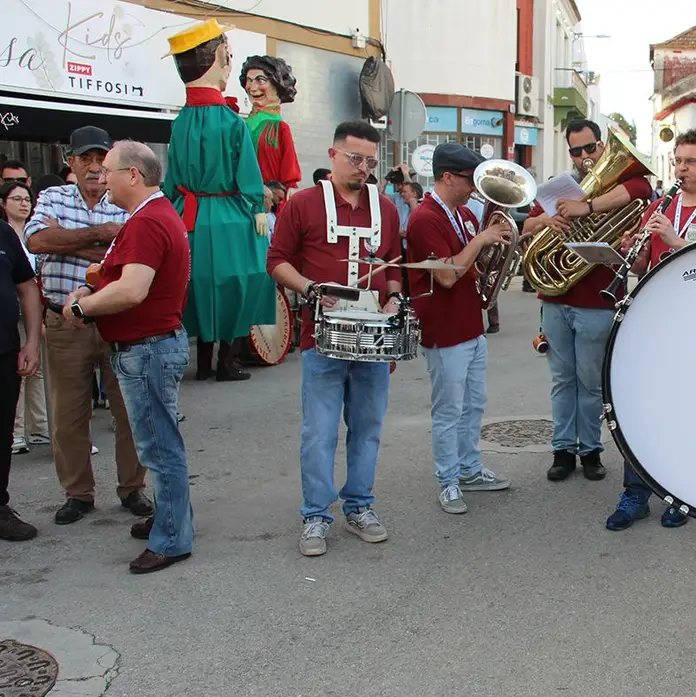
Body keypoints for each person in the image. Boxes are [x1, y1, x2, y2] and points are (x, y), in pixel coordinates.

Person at [267, 121, 403, 556]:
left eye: (370, 161)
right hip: (321, 337)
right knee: (320, 432)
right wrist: (309, 288)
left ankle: (359, 505)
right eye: (354, 158)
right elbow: (277, 260)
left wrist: (394, 299)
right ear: (333, 155)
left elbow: (393, 265)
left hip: (372, 339)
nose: (362, 167)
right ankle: (315, 514)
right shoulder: (303, 204)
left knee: (367, 428)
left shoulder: (386, 208)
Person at [62, 141, 193, 573]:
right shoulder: (150, 216)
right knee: (160, 443)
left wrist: (82, 307)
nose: (102, 178)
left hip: (148, 347)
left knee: (160, 448)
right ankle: (172, 519)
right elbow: (117, 276)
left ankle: (172, 538)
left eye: (108, 171)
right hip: (149, 346)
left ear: (133, 175)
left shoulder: (148, 220)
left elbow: (133, 289)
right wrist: (90, 289)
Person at [606, 128, 696, 531]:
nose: (680, 169)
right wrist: (631, 251)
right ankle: (635, 494)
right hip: (654, 319)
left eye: (689, 161)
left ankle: (681, 494)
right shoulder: (659, 205)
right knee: (640, 409)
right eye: (677, 161)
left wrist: (676, 240)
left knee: (688, 411)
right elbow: (644, 264)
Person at [25, 125, 152, 526]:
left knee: (128, 409)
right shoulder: (53, 196)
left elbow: (132, 251)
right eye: (86, 158)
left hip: (117, 317)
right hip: (64, 320)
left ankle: (132, 488)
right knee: (68, 414)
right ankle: (78, 493)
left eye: (101, 158)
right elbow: (36, 241)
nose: (95, 166)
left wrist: (68, 242)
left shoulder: (124, 197)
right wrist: (102, 237)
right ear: (71, 162)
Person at [521, 118, 653, 483]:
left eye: (590, 148)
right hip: (555, 299)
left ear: (602, 147)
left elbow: (641, 188)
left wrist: (587, 207)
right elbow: (526, 227)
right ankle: (563, 450)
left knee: (591, 382)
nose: (584, 157)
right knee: (562, 380)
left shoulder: (622, 182)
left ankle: (591, 450)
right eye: (576, 151)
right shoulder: (559, 189)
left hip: (598, 301)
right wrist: (546, 221)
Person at [163, 19, 274, 383]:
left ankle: (203, 363)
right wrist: (257, 208)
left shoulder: (180, 122)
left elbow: (172, 180)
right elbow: (248, 175)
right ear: (221, 58)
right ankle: (227, 362)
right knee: (241, 284)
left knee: (197, 285)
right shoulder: (231, 122)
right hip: (231, 215)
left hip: (189, 216)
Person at [405, 143, 513, 515]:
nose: (475, 189)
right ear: (448, 177)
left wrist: (491, 249)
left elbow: (472, 266)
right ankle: (448, 480)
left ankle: (469, 469)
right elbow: (447, 275)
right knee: (449, 410)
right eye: (470, 180)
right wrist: (482, 239)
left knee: (474, 405)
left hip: (470, 324)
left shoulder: (464, 214)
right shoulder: (425, 218)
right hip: (444, 327)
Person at [0, 189, 42, 542]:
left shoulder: (3, 233)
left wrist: (31, 341)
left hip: (4, 350)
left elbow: (27, 285)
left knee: (1, 431)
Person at [2, 181, 48, 455]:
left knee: (36, 369)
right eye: (16, 198)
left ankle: (39, 427)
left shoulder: (15, 234)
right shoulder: (7, 232)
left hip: (17, 332)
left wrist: (33, 337)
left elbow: (28, 284)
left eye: (26, 199)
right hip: (11, 329)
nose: (23, 204)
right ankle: (19, 431)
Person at [240, 54, 302, 193]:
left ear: (277, 84)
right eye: (249, 81)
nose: (252, 87)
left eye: (260, 80)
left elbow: (290, 171)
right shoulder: (242, 125)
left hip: (269, 199)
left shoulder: (280, 128)